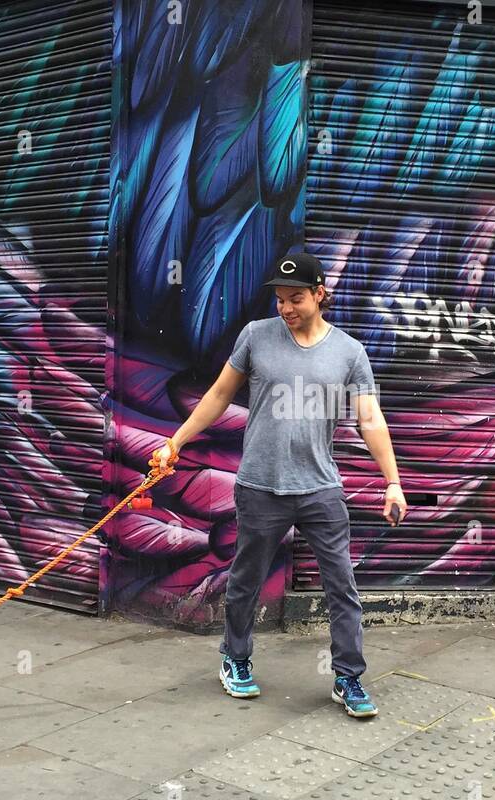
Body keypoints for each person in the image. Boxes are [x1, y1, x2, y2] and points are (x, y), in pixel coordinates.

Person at [152, 251, 406, 717]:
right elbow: (218, 395)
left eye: (296, 299)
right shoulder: (256, 337)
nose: (286, 308)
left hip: (321, 489)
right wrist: (176, 442)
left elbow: (370, 419)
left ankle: (348, 677)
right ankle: (236, 658)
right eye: (280, 300)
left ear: (319, 294)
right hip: (260, 486)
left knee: (341, 587)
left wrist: (392, 481)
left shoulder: (348, 351)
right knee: (246, 581)